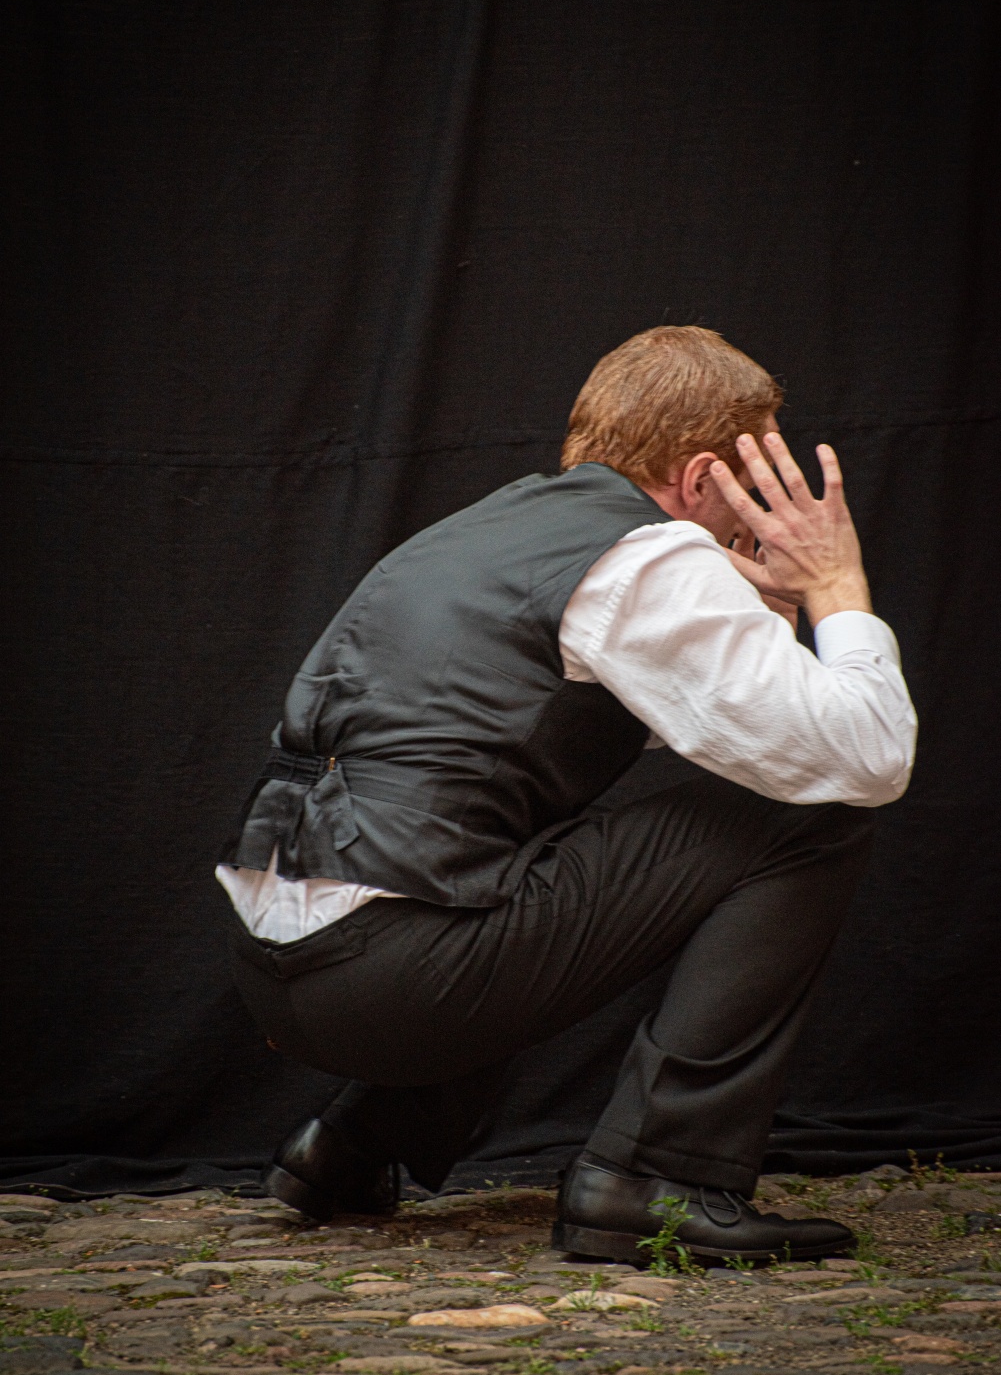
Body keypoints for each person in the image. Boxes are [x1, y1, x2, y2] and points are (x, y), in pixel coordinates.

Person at [217, 325, 916, 1265]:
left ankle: (352, 1143)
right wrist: (837, 585)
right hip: (389, 980)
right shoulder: (647, 559)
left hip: (278, 973)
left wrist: (764, 620)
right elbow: (866, 760)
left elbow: (725, 730)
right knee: (812, 817)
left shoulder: (486, 529)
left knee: (531, 859)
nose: (756, 511)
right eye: (751, 483)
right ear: (700, 476)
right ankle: (657, 1177)